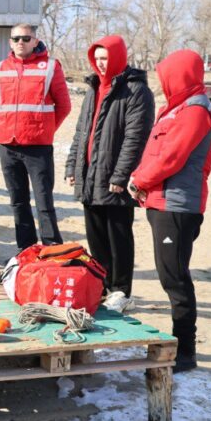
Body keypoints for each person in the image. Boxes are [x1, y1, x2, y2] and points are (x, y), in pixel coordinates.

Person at [129, 49, 211, 374]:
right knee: (170, 275)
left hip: (178, 206)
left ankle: (185, 352)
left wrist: (139, 179)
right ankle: (182, 346)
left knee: (175, 277)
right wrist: (140, 183)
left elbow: (172, 158)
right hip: (161, 202)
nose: (161, 82)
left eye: (166, 75)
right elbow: (156, 153)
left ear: (179, 75)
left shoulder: (194, 111)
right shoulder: (176, 109)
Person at [65, 35, 154, 313]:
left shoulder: (136, 91)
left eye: (106, 58)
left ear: (118, 57)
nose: (101, 64)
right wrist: (72, 167)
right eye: (98, 59)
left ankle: (122, 290)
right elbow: (82, 132)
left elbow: (135, 139)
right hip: (90, 175)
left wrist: (120, 175)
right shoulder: (93, 89)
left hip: (115, 178)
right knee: (96, 236)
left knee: (119, 235)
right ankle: (102, 284)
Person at [0, 23, 71, 249]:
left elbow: (63, 106)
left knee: (44, 201)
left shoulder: (50, 67)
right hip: (8, 146)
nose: (20, 42)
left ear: (35, 41)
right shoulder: (0, 68)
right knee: (18, 201)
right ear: (10, 42)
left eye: (26, 38)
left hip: (38, 147)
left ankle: (52, 248)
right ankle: (25, 248)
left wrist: (43, 131)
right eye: (16, 38)